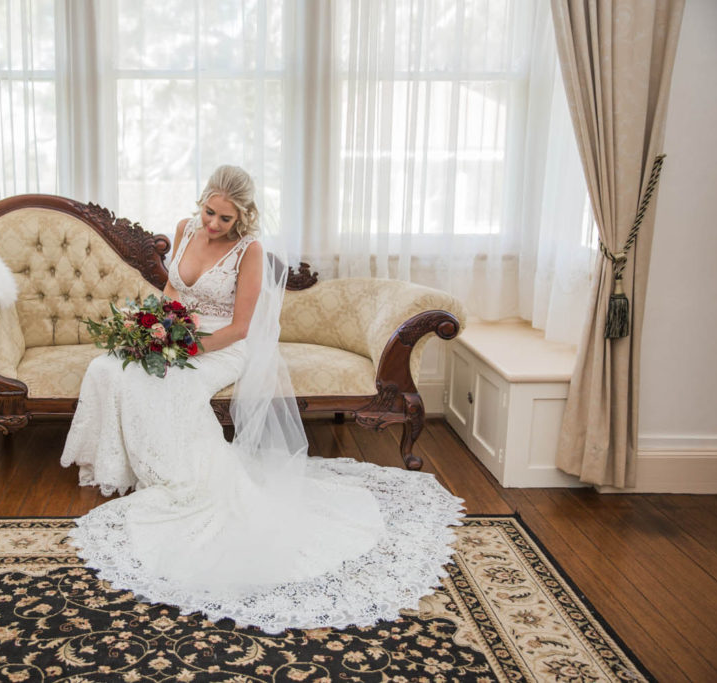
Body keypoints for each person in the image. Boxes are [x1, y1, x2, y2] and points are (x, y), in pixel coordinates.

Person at [61, 165, 463, 633]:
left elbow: (240, 328)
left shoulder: (248, 251)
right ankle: (121, 465)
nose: (212, 224)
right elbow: (172, 291)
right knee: (107, 367)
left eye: (224, 219)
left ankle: (182, 478)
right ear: (202, 203)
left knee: (173, 382)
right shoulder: (185, 229)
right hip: (177, 333)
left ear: (242, 217)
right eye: (209, 212)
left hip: (224, 346)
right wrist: (155, 328)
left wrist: (180, 349)